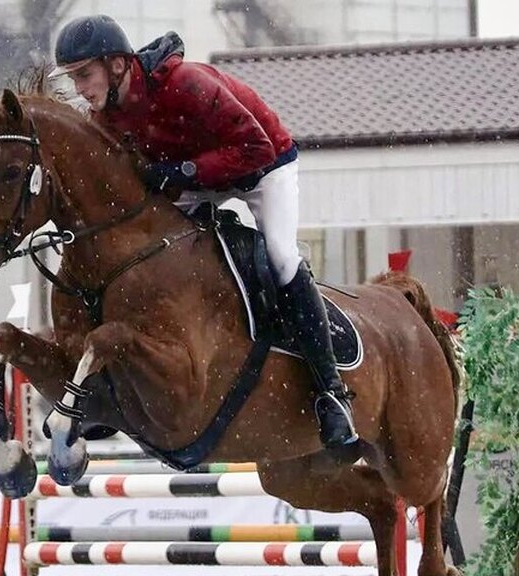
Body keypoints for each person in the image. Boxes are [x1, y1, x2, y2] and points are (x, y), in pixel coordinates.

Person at [49, 15, 359, 458]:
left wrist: (183, 171)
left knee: (281, 257)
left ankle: (331, 394)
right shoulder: (106, 117)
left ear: (116, 65)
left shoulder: (186, 83)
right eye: (73, 78)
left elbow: (255, 149)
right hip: (194, 181)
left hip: (263, 168)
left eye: (84, 75)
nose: (79, 88)